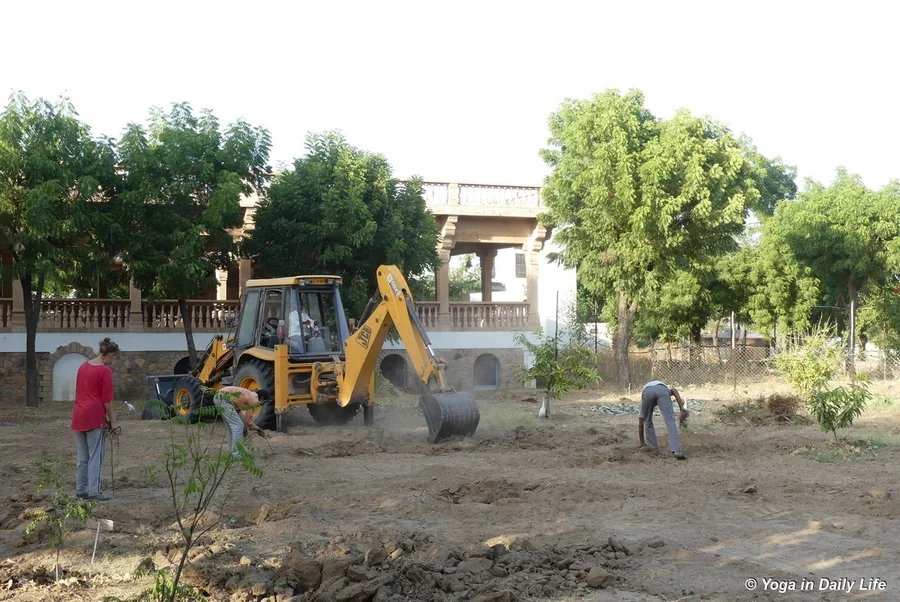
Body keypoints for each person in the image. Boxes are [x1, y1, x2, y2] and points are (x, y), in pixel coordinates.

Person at [72, 337, 119, 501]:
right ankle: (94, 492)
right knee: (96, 456)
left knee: (82, 456)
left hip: (79, 414)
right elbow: (106, 398)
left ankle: (81, 490)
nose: (112, 362)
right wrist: (112, 419)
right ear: (110, 354)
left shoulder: (83, 367)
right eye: (113, 358)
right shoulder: (104, 371)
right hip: (94, 416)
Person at [638, 380, 688, 460]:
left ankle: (653, 448)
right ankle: (677, 450)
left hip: (648, 392)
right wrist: (681, 406)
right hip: (662, 390)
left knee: (648, 421)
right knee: (670, 421)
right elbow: (674, 390)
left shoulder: (643, 400)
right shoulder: (664, 387)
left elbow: (641, 423)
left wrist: (642, 442)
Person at [212, 386, 269, 455]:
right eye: (264, 402)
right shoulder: (254, 400)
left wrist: (244, 427)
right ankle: (236, 454)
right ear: (262, 398)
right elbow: (248, 421)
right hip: (224, 399)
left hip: (218, 397)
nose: (263, 405)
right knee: (238, 426)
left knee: (231, 427)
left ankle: (232, 452)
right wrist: (258, 429)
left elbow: (238, 412)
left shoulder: (249, 395)